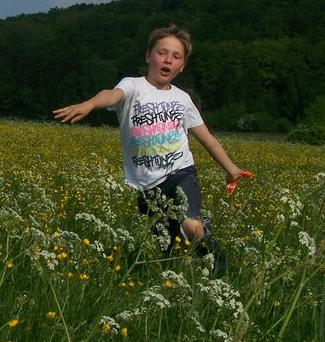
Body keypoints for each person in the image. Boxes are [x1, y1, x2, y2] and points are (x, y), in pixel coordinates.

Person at [53, 25, 252, 272]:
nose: (168, 60)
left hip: (181, 173)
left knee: (191, 224)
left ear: (182, 66)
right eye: (162, 53)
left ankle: (220, 266)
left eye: (176, 56)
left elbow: (207, 138)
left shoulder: (182, 99)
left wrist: (232, 169)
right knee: (166, 247)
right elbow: (112, 95)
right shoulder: (134, 86)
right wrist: (90, 103)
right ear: (148, 56)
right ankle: (176, 278)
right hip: (147, 186)